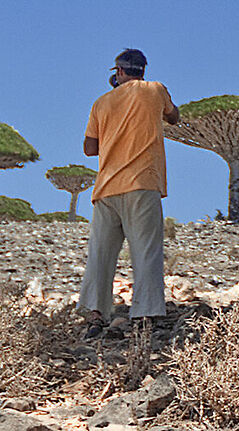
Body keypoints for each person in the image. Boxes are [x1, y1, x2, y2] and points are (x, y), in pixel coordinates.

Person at [78, 48, 180, 342]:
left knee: (101, 254)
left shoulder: (101, 102)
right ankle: (145, 316)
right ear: (143, 70)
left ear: (119, 71)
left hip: (107, 187)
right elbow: (174, 116)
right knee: (145, 250)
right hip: (142, 183)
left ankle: (96, 316)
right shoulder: (155, 90)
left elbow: (89, 148)